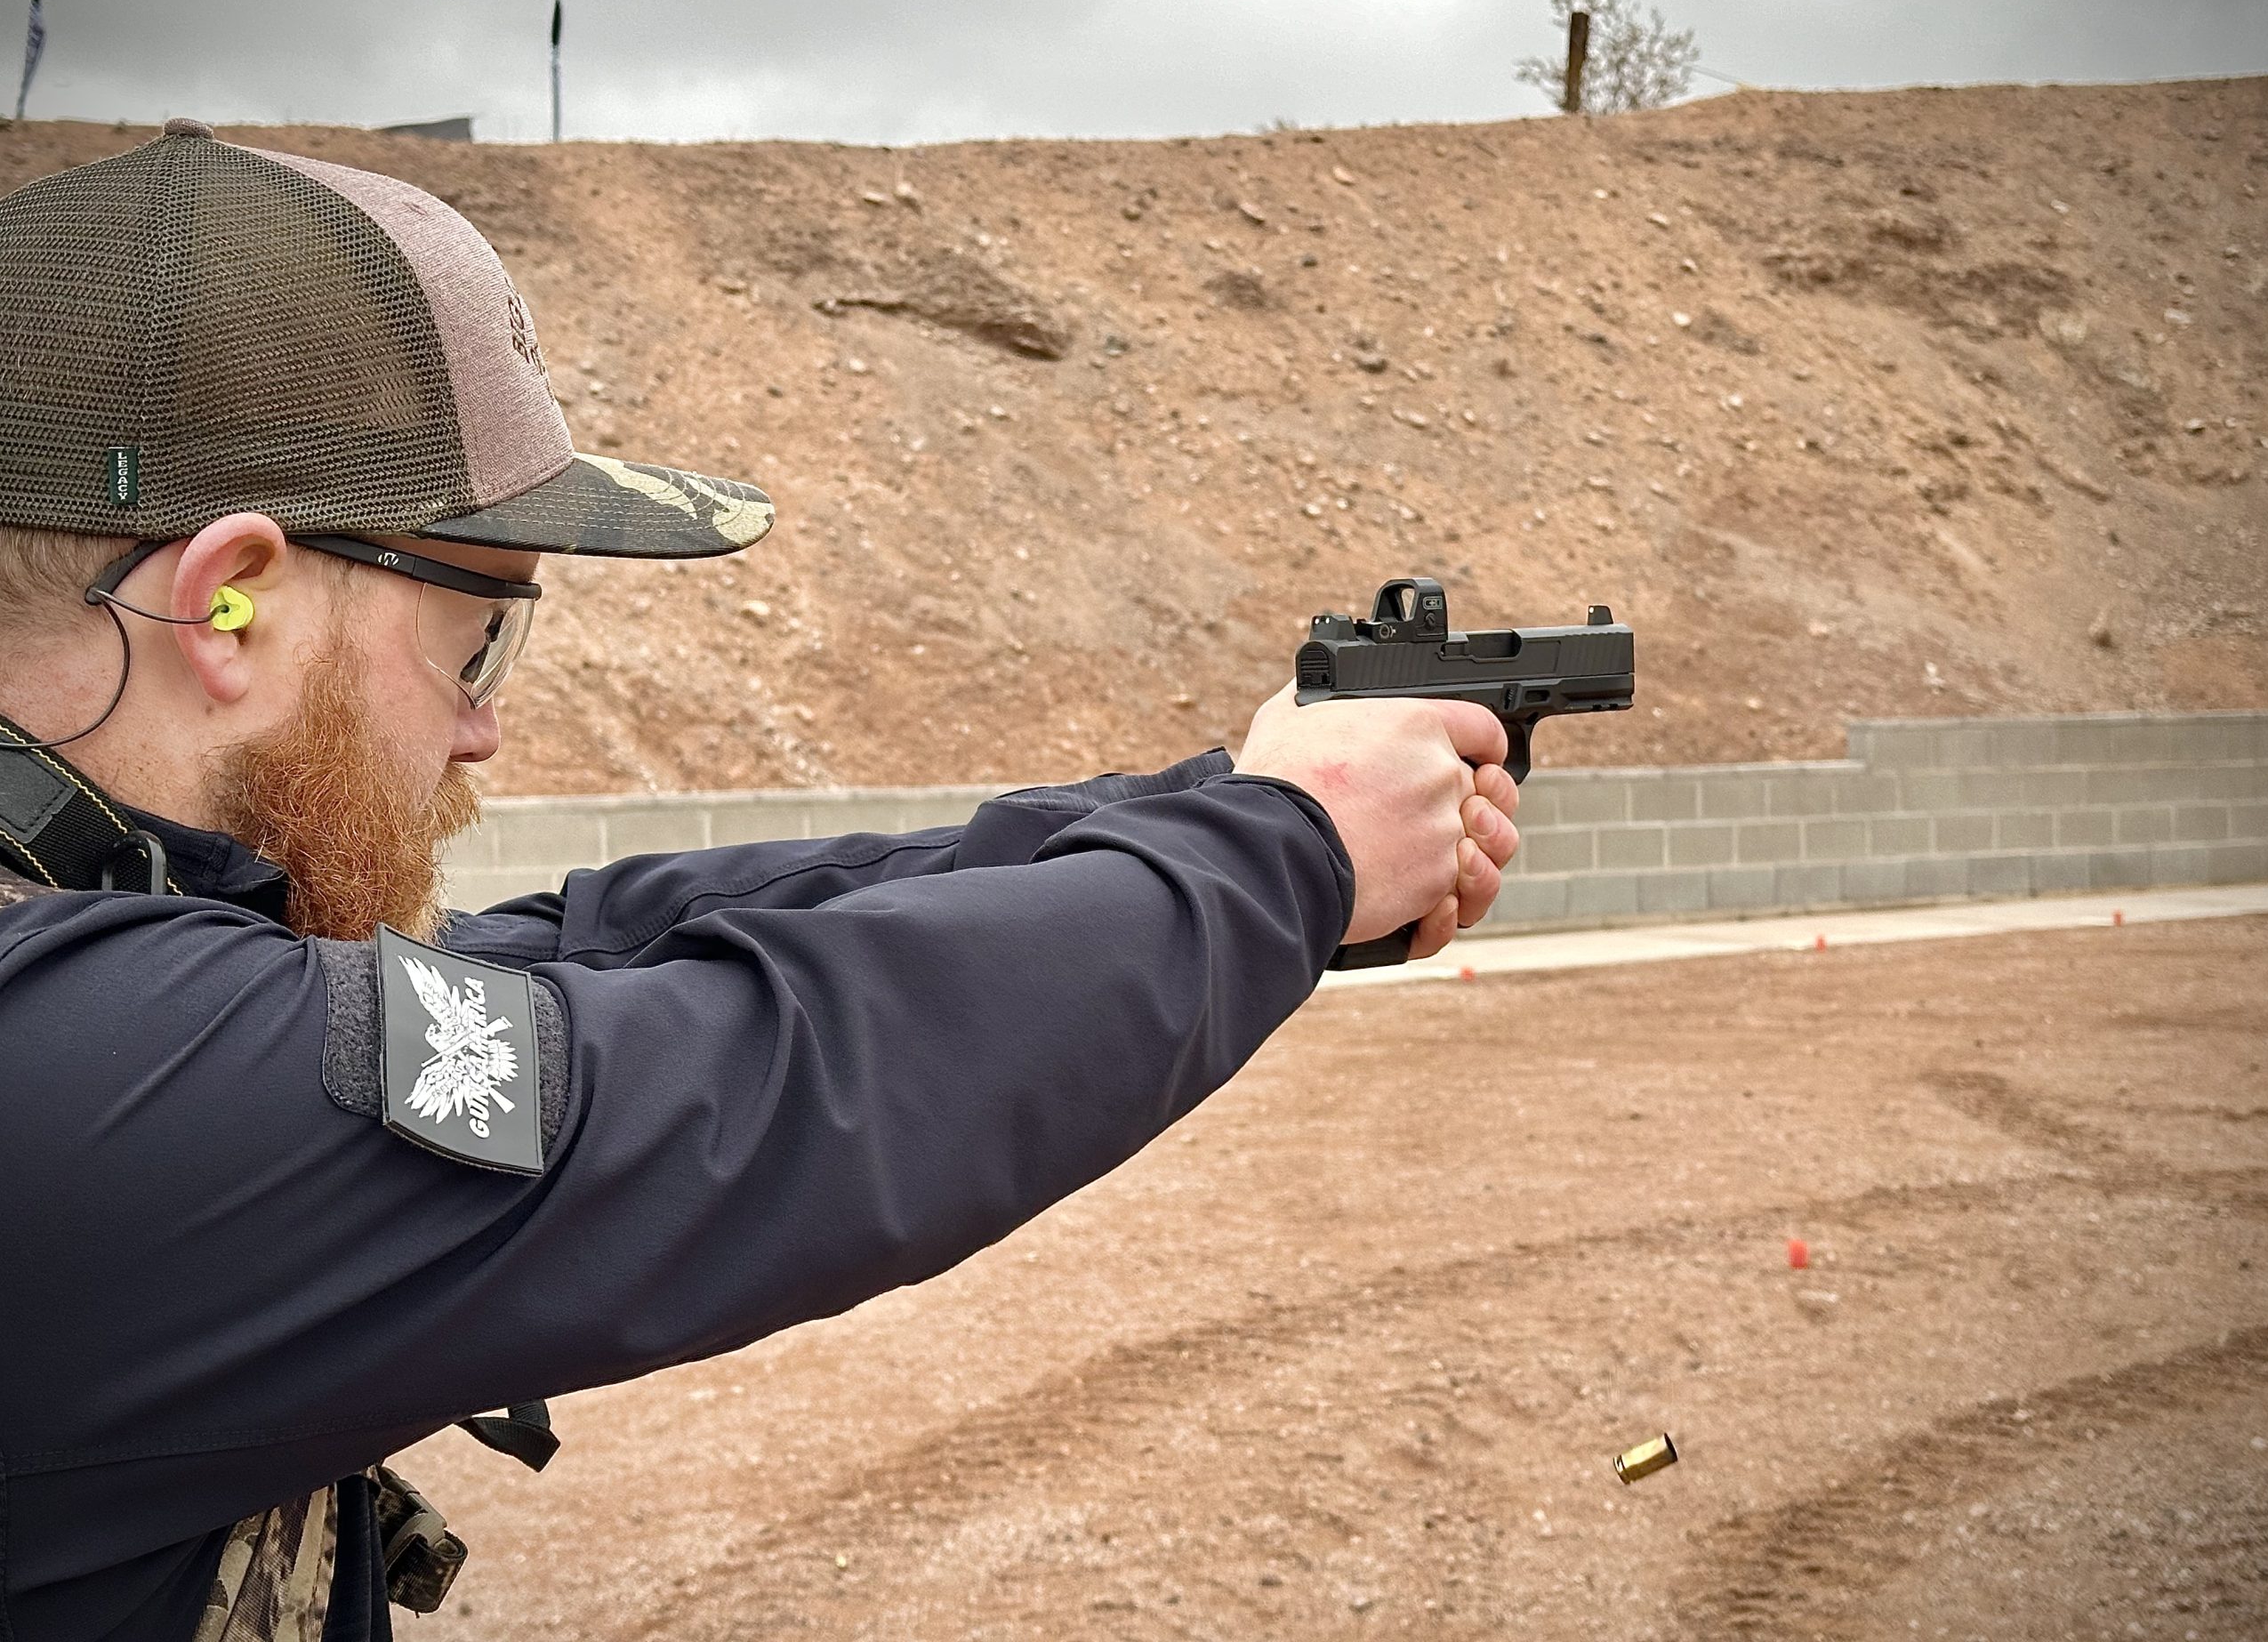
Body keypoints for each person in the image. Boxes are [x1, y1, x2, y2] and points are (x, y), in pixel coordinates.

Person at [0, 121, 1521, 1642]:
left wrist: (1212, 809)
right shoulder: (76, 1078)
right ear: (229, 605)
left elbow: (585, 957)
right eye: (478, 636)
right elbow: (775, 1072)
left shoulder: (93, 957)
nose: (483, 723)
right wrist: (1285, 855)